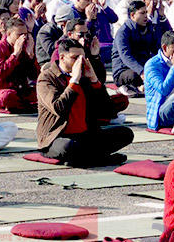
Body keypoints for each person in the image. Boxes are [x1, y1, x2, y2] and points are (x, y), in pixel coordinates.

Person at [36, 37, 135, 167]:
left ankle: (87, 158)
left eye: (82, 58)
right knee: (68, 147)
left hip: (84, 135)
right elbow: (59, 107)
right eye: (74, 58)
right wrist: (74, 81)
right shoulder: (47, 77)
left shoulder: (85, 78)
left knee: (125, 134)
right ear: (62, 57)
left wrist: (94, 81)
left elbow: (107, 110)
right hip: (56, 136)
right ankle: (101, 159)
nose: (79, 62)